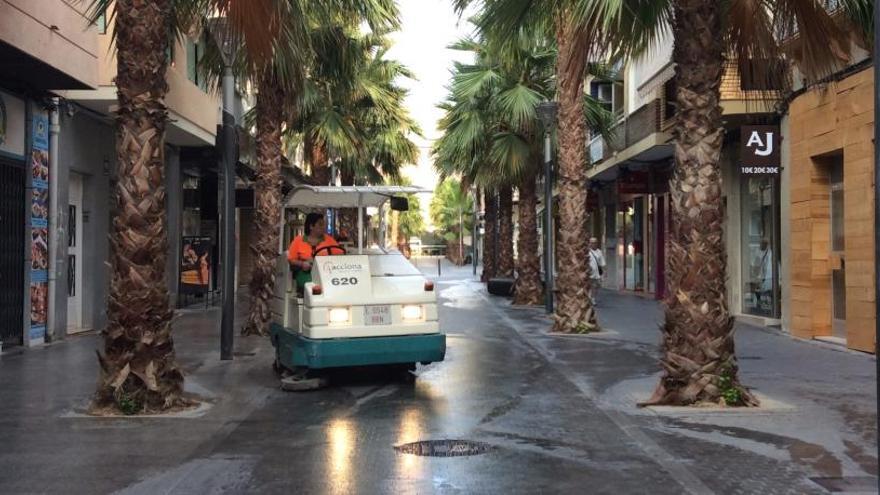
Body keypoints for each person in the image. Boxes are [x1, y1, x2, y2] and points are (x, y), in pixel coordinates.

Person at [288, 213, 344, 292]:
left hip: (327, 274)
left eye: (324, 224)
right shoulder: (298, 241)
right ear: (311, 226)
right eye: (320, 225)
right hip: (306, 274)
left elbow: (341, 254)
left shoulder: (329, 240)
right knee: (312, 287)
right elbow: (291, 260)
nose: (323, 227)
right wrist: (302, 264)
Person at [751, 238, 773, 313]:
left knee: (763, 294)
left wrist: (755, 275)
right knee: (765, 294)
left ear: (765, 245)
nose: (760, 246)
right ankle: (766, 308)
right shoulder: (770, 253)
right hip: (767, 277)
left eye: (761, 244)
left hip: (766, 278)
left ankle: (764, 309)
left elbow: (756, 267)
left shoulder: (761, 254)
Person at [588, 237, 606, 305]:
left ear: (597, 243)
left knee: (597, 285)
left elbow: (602, 262)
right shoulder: (587, 251)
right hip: (589, 273)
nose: (593, 244)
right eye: (591, 242)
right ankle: (591, 298)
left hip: (597, 273)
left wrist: (605, 271)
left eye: (594, 242)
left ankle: (592, 297)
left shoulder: (599, 252)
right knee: (591, 285)